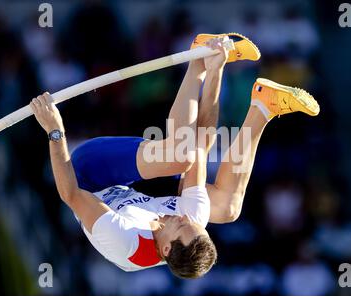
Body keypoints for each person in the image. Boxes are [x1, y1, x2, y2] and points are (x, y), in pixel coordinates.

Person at [29, 35, 319, 279]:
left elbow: (70, 194)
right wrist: (215, 69)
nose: (182, 216)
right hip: (122, 183)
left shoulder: (124, 240)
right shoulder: (192, 221)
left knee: (180, 157)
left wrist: (55, 131)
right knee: (228, 207)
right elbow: (204, 140)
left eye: (180, 224)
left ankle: (195, 59)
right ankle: (263, 107)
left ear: (165, 249)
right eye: (190, 223)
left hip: (85, 174)